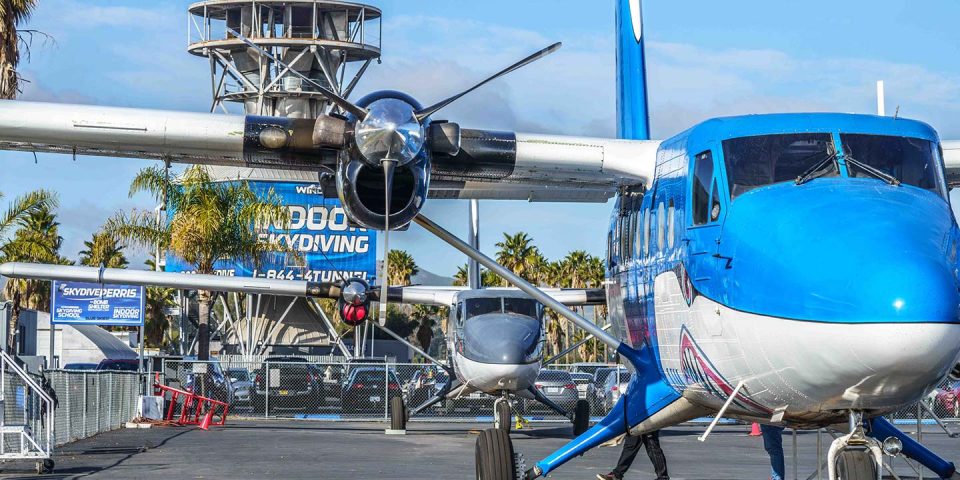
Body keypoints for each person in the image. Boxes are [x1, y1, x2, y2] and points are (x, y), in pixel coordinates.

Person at [596, 430, 669, 480]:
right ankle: (616, 475)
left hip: (648, 415)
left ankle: (663, 477)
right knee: (630, 445)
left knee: (652, 446)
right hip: (634, 416)